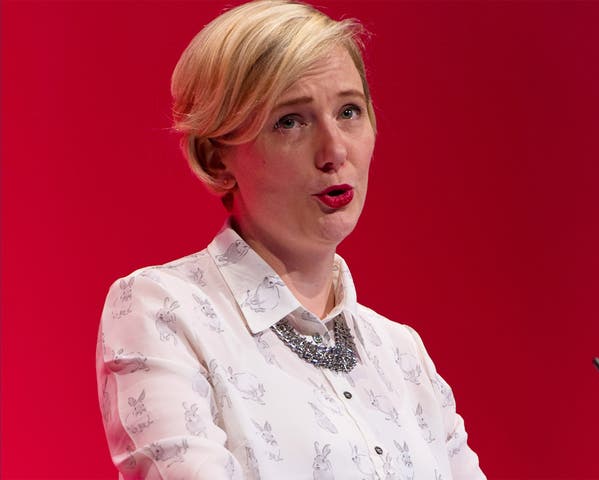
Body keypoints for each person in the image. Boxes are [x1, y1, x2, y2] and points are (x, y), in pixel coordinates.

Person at [96, 1, 487, 478]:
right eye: (290, 121)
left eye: (349, 111)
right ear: (216, 157)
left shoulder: (402, 353)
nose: (335, 150)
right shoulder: (165, 311)